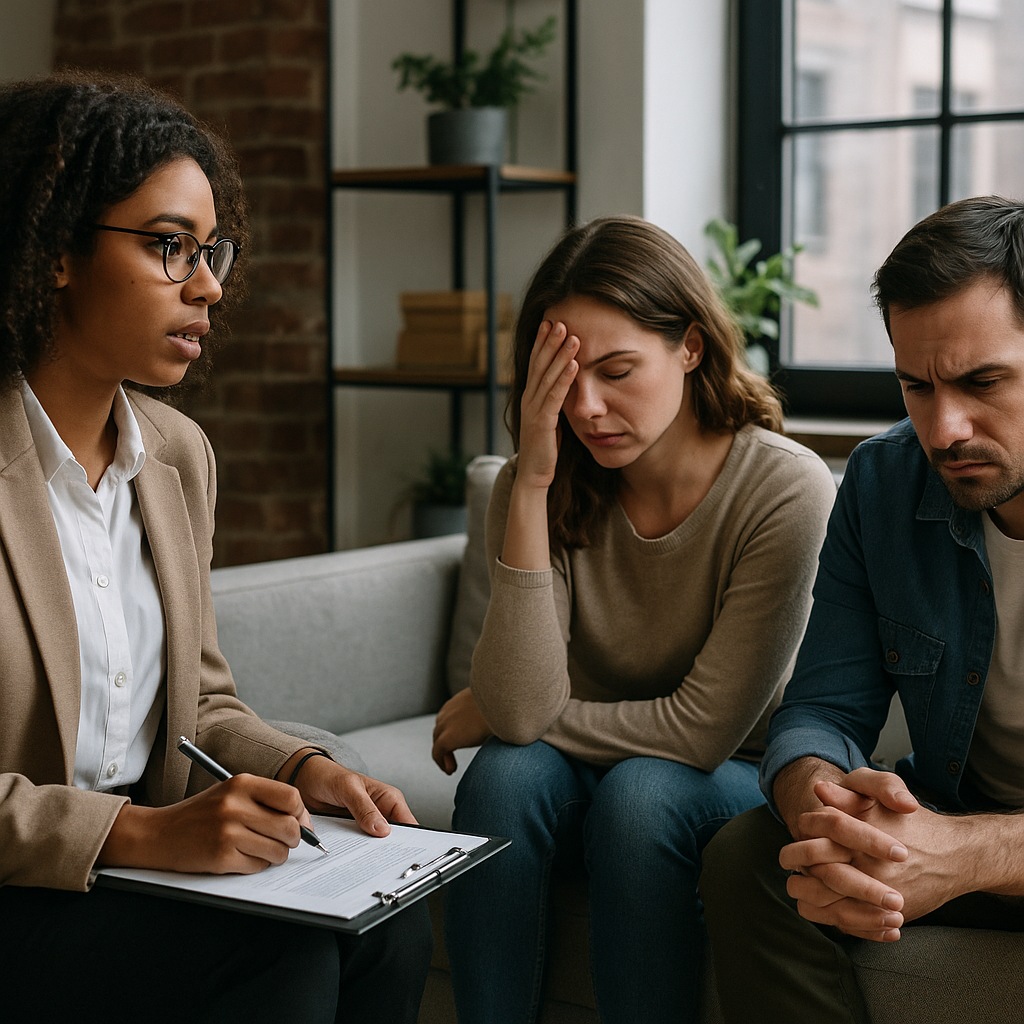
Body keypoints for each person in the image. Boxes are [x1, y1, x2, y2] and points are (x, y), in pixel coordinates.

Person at [0, 72, 431, 1024]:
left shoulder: (177, 458)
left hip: (130, 871)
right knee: (270, 965)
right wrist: (140, 832)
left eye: (211, 252)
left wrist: (300, 769)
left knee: (389, 922)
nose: (208, 287)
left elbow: (202, 703)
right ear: (57, 249)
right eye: (168, 249)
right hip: (26, 882)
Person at [429, 216, 836, 1023]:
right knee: (502, 776)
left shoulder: (786, 489)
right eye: (564, 381)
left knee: (644, 794)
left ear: (690, 345)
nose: (587, 407)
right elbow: (518, 714)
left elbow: (701, 734)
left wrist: (516, 714)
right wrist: (535, 483)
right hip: (580, 767)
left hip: (727, 775)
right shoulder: (540, 479)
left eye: (618, 371)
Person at [700, 195, 1024, 1023]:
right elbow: (824, 707)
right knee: (754, 855)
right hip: (958, 808)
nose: (944, 428)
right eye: (916, 386)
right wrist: (823, 801)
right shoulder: (883, 484)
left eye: (983, 382)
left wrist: (970, 853)